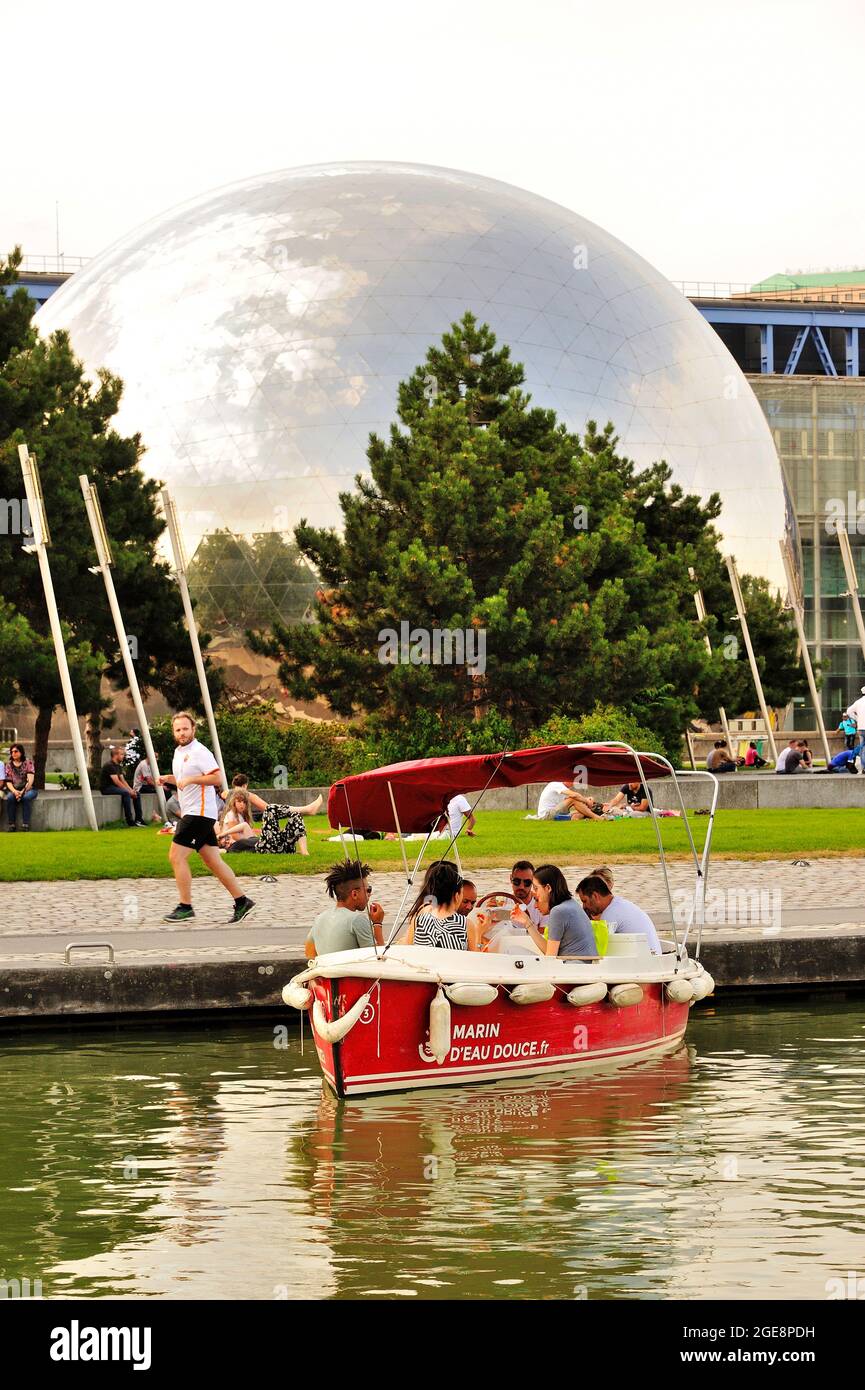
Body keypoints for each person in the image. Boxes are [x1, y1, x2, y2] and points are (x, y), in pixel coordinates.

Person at [157, 712, 255, 924]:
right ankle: (242, 901)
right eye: (178, 730)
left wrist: (191, 779)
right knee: (213, 860)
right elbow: (184, 779)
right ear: (174, 732)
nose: (182, 733)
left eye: (185, 728)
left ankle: (185, 906)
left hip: (198, 814)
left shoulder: (200, 751)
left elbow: (216, 777)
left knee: (176, 857)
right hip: (197, 813)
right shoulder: (179, 752)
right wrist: (169, 779)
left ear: (193, 729)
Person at [512, 865, 596, 958]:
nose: (534, 893)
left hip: (571, 968)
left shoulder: (558, 911)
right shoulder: (570, 904)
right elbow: (549, 951)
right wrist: (527, 922)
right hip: (579, 967)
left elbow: (550, 959)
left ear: (548, 888)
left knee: (512, 951)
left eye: (536, 888)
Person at [305, 860, 384, 958]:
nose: (369, 894)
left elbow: (309, 952)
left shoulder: (320, 918)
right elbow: (378, 958)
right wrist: (377, 924)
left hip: (326, 971)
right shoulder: (357, 920)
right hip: (348, 973)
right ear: (354, 894)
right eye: (368, 890)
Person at [577, 874, 663, 955]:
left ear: (595, 896)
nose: (584, 907)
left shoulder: (610, 915)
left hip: (645, 962)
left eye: (585, 901)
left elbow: (598, 951)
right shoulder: (620, 904)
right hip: (652, 957)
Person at [411, 861, 471, 950]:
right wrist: (480, 930)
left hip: (423, 963)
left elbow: (408, 946)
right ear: (457, 896)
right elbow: (475, 959)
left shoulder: (419, 919)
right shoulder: (466, 924)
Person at [100, 748, 146, 827]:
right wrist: (128, 791)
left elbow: (123, 780)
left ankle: (139, 819)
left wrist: (132, 790)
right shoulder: (109, 765)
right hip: (107, 788)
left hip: (114, 787)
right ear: (115, 755)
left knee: (136, 794)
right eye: (121, 754)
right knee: (126, 793)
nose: (123, 756)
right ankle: (130, 821)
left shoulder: (118, 766)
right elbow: (117, 781)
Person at [4, 743, 37, 831]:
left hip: (29, 789)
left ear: (21, 752)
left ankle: (25, 825)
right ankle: (12, 825)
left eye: (16, 751)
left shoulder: (28, 762)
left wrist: (22, 792)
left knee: (26, 798)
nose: (13, 753)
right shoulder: (9, 765)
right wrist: (15, 792)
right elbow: (8, 782)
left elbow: (30, 781)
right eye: (12, 752)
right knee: (10, 798)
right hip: (14, 789)